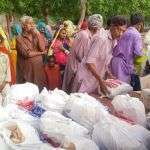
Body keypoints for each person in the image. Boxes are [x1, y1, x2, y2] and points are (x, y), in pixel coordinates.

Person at [71, 15, 127, 95]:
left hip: (95, 79)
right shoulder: (101, 39)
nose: (121, 34)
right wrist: (101, 80)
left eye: (123, 31)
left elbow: (103, 61)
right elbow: (89, 62)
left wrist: (109, 74)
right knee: (80, 102)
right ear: (112, 26)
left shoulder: (114, 41)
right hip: (86, 78)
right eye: (119, 30)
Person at [16, 16, 47, 91]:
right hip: (27, 70)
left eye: (33, 23)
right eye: (30, 23)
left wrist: (38, 34)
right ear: (23, 26)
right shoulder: (19, 38)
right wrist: (41, 53)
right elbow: (27, 54)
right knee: (28, 91)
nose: (33, 25)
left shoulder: (36, 35)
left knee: (39, 89)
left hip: (38, 69)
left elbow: (43, 47)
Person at [111, 13, 144, 83]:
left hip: (114, 61)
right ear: (140, 24)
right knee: (122, 88)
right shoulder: (136, 34)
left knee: (114, 85)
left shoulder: (124, 31)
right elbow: (138, 53)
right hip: (124, 65)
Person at [0, 36, 11, 105]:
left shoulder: (5, 56)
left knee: (7, 99)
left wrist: (2, 85)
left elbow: (8, 72)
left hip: (4, 83)